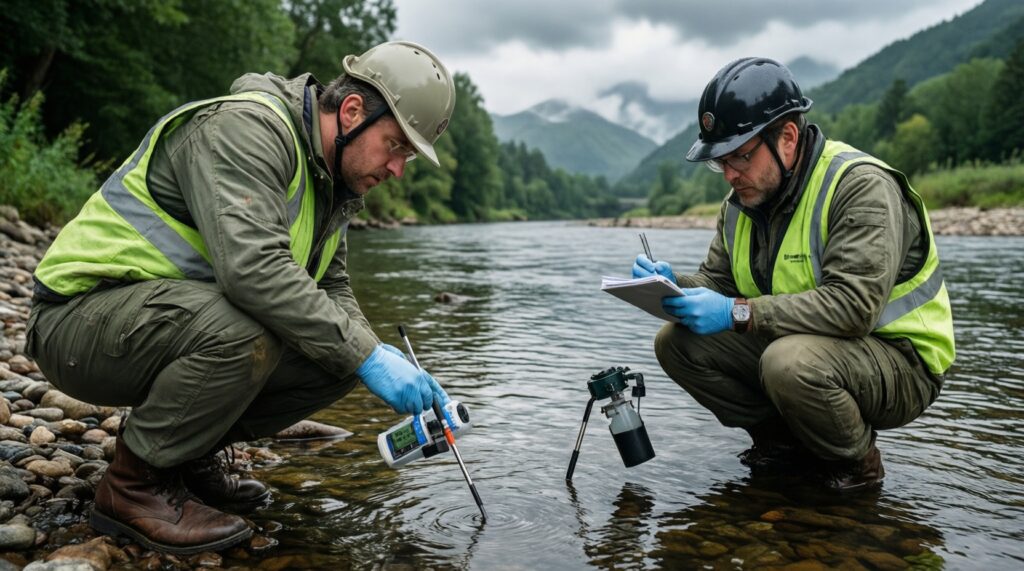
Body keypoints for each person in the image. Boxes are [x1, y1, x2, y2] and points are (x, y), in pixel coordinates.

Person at [25, 41, 456, 554]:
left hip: (156, 323)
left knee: (337, 355)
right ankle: (134, 485)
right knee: (257, 329)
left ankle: (187, 453)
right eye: (396, 147)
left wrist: (375, 355)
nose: (398, 169)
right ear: (353, 111)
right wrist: (369, 357)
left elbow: (331, 288)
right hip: (76, 318)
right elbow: (252, 271)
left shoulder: (332, 181)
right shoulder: (246, 131)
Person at [632, 58, 954, 492]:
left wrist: (737, 313)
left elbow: (852, 308)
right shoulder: (739, 204)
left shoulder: (860, 186)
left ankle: (857, 466)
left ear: (787, 138)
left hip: (902, 361)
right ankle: (783, 445)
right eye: (719, 162)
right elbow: (721, 285)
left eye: (739, 157)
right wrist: (673, 285)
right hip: (812, 345)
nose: (729, 174)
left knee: (788, 364)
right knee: (677, 343)